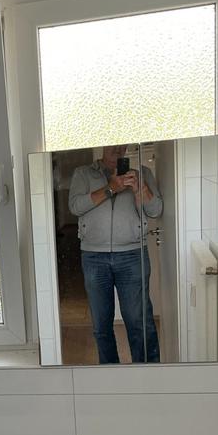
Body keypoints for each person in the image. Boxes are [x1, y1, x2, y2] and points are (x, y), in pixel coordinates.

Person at [68, 145, 163, 364]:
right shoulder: (83, 173)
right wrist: (110, 188)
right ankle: (109, 374)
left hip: (132, 255)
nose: (118, 150)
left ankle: (149, 375)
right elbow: (75, 206)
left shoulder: (142, 173)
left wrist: (140, 188)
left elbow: (156, 210)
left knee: (139, 322)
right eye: (113, 146)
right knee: (101, 326)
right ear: (103, 145)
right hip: (93, 257)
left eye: (122, 146)